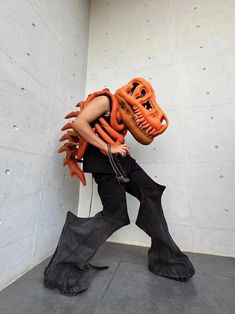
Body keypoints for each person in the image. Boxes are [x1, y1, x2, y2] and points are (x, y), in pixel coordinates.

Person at [43, 86, 195, 297]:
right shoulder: (106, 100)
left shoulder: (127, 112)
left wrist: (116, 147)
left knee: (151, 191)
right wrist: (108, 147)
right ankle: (65, 267)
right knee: (114, 215)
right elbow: (79, 123)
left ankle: (165, 259)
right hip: (103, 161)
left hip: (122, 159)